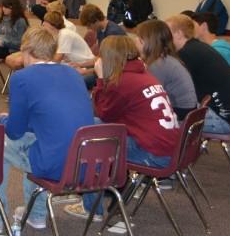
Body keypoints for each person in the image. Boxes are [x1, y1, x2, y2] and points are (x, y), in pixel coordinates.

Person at [0, 28, 94, 233]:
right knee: (35, 141)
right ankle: (36, 215)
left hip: (56, 165)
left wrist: (5, 120)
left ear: (27, 51)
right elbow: (51, 116)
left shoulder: (22, 78)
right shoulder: (72, 73)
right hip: (86, 164)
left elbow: (14, 131)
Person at [65, 35, 181, 221]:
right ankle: (98, 188)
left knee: (93, 137)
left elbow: (103, 112)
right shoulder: (144, 75)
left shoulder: (122, 82)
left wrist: (101, 79)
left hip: (154, 154)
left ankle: (91, 206)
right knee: (97, 129)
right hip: (172, 149)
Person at [165, 14, 230, 135]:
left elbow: (171, 88)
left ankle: (180, 152)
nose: (164, 37)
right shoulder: (197, 47)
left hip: (221, 120)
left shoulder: (188, 54)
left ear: (179, 34)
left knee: (163, 120)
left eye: (167, 32)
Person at [136, 19, 198, 121]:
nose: (135, 40)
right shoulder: (165, 59)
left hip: (181, 115)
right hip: (187, 111)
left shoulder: (158, 65)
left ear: (146, 41)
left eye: (138, 38)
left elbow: (146, 97)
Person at [41, 10, 95, 88]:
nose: (43, 24)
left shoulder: (65, 34)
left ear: (52, 24)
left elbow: (57, 59)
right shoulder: (58, 34)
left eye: (45, 22)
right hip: (77, 65)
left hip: (87, 67)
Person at [189, 11, 230, 81]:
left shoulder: (220, 51)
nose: (190, 29)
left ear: (204, 26)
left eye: (193, 25)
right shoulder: (205, 48)